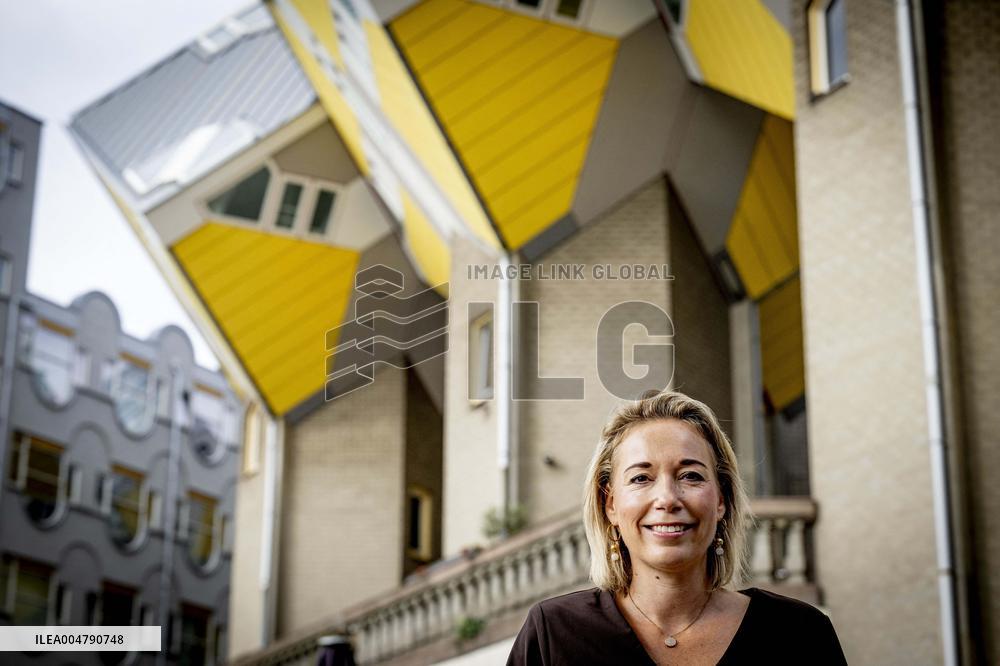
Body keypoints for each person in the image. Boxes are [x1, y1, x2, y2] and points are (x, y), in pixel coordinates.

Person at [507, 390, 846, 665]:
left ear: (721, 500)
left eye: (691, 476)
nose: (667, 498)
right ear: (610, 504)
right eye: (641, 478)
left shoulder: (800, 634)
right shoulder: (554, 634)